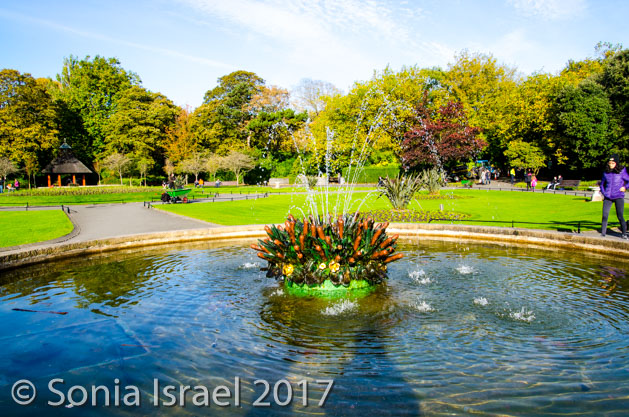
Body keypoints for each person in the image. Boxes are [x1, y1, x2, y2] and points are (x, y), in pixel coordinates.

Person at [600, 154, 629, 238]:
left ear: (616, 163)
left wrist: (625, 187)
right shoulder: (606, 173)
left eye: (613, 163)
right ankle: (603, 233)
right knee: (605, 215)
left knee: (620, 215)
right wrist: (604, 192)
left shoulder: (622, 171)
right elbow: (602, 184)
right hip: (608, 197)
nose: (611, 165)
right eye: (610, 163)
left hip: (618, 196)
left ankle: (624, 233)